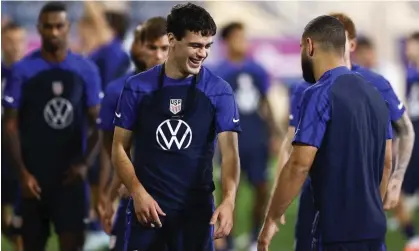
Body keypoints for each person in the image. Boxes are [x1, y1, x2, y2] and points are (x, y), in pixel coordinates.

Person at [277, 12, 415, 251]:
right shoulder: (306, 86)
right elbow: (290, 141)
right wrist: (279, 196)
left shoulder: (375, 83)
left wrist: (397, 178)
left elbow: (405, 130)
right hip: (316, 196)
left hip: (363, 197)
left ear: (351, 44)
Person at [112, 3, 241, 250]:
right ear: (172, 39)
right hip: (147, 212)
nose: (202, 53)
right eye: (195, 45)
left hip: (196, 214)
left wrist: (229, 201)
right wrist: (137, 192)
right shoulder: (137, 87)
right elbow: (119, 147)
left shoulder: (219, 90)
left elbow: (230, 153)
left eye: (207, 46)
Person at [2, 2, 102, 251]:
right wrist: (23, 174)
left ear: (68, 28)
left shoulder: (86, 70)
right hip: (33, 181)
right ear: (39, 29)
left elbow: (98, 124)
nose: (54, 32)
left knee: (73, 245)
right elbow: (10, 125)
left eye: (59, 26)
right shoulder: (22, 70)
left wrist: (84, 165)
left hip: (70, 180)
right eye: (48, 27)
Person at [97, 17, 169, 251]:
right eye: (150, 45)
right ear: (137, 46)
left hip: (177, 195)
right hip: (134, 193)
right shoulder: (121, 90)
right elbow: (115, 148)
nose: (157, 54)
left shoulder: (194, 89)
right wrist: (108, 193)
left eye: (163, 48)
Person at [213, 21, 280, 251]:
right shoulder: (218, 72)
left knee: (262, 188)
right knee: (230, 191)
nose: (243, 42)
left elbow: (265, 102)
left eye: (244, 37)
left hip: (256, 137)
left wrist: (275, 133)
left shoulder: (256, 69)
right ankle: (227, 239)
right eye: (238, 37)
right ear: (227, 41)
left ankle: (253, 236)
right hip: (230, 141)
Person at [1, 21, 26, 251]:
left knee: (20, 215)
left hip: (22, 149)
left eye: (19, 41)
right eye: (10, 41)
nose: (15, 46)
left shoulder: (30, 74)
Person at [402, 31, 419, 249]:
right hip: (414, 127)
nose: (407, 49)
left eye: (411, 45)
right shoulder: (409, 72)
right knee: (403, 184)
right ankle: (412, 236)